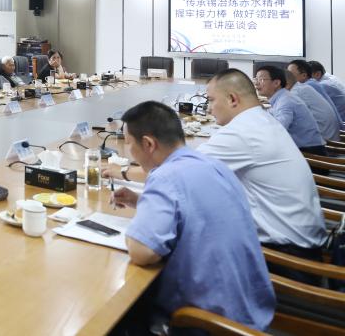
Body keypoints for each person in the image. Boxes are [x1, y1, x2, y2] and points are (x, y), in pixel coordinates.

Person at [111, 101, 274, 332]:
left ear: (148, 144)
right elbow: (194, 211)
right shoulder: (212, 165)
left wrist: (140, 223)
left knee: (119, 314)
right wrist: (142, 202)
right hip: (249, 311)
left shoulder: (165, 176)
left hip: (207, 323)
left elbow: (142, 252)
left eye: (128, 143)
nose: (129, 151)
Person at [199, 69, 326, 269]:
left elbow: (182, 172)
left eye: (211, 100)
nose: (208, 109)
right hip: (303, 241)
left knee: (191, 240)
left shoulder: (243, 131)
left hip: (286, 257)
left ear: (232, 99)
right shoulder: (261, 119)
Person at [253, 66, 326, 154]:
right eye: (256, 79)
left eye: (261, 79)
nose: (256, 83)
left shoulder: (286, 100)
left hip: (309, 152)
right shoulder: (281, 97)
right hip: (300, 149)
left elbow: (278, 129)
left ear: (276, 83)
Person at [286, 69, 340, 142]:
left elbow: (285, 120)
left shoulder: (296, 92)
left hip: (324, 140)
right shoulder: (302, 87)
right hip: (329, 134)